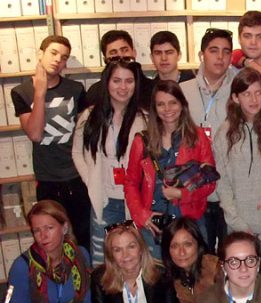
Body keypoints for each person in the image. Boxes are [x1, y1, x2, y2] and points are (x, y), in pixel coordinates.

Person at [11, 35, 91, 250]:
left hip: (77, 176)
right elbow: (35, 134)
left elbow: (85, 133)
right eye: (53, 53)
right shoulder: (21, 92)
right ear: (41, 54)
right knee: (51, 243)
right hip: (47, 179)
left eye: (64, 57)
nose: (58, 60)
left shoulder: (75, 90)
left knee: (84, 238)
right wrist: (40, 92)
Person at [124, 81, 216, 258]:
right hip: (155, 224)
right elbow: (131, 182)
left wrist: (182, 194)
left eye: (173, 102)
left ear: (182, 104)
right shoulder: (142, 141)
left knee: (194, 277)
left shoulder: (197, 138)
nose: (167, 109)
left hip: (191, 220)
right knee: (158, 279)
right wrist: (141, 215)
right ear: (154, 108)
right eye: (161, 104)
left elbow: (210, 183)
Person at [214, 67, 261, 291]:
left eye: (258, 92)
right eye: (246, 94)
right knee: (240, 283)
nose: (253, 99)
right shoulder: (224, 134)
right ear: (235, 98)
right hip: (238, 224)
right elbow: (222, 183)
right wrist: (237, 223)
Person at [72, 59, 147, 265]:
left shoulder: (144, 119)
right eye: (117, 81)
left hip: (133, 202)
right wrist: (90, 180)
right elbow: (77, 152)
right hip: (103, 200)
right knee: (104, 263)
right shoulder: (90, 116)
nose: (123, 87)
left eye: (129, 81)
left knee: (133, 260)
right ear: (107, 83)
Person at [9, 200, 91, 303]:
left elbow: (86, 297)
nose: (43, 236)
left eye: (49, 228)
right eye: (37, 230)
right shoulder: (22, 265)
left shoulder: (80, 255)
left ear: (64, 227)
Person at [180, 27, 236, 255]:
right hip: (194, 190)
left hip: (229, 190)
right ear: (202, 54)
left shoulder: (241, 89)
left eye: (226, 51)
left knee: (229, 256)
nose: (220, 57)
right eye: (214, 51)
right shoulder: (183, 91)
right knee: (199, 257)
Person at [90, 221, 182, 303]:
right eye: (117, 250)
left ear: (141, 248)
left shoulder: (161, 274)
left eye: (131, 246)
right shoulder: (99, 278)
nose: (125, 255)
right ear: (111, 255)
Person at [160, 217, 220, 303]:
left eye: (187, 244)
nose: (181, 252)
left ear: (198, 245)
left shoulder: (216, 270)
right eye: (174, 246)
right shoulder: (179, 276)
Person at [85, 30, 154, 110]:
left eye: (124, 50)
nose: (120, 56)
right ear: (105, 59)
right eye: (113, 53)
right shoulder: (96, 91)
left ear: (134, 53)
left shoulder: (152, 89)